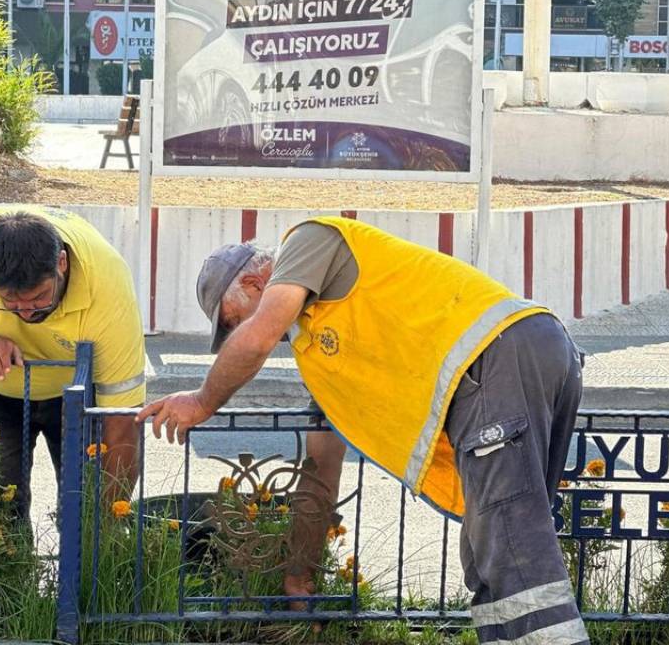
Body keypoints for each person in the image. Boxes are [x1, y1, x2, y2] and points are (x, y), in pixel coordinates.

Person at [137, 217, 588, 645]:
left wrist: (201, 402)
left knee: (513, 553)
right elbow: (320, 470)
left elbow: (256, 337)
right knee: (492, 555)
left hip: (498, 357)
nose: (242, 334)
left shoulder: (311, 239)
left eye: (233, 321)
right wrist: (299, 573)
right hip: (518, 360)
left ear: (256, 284)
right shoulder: (321, 356)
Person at [0, 207, 145, 519]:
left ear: (61, 263)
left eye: (39, 297)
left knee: (82, 507)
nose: (25, 312)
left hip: (75, 392)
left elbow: (121, 422)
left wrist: (102, 526)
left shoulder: (107, 284)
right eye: (10, 301)